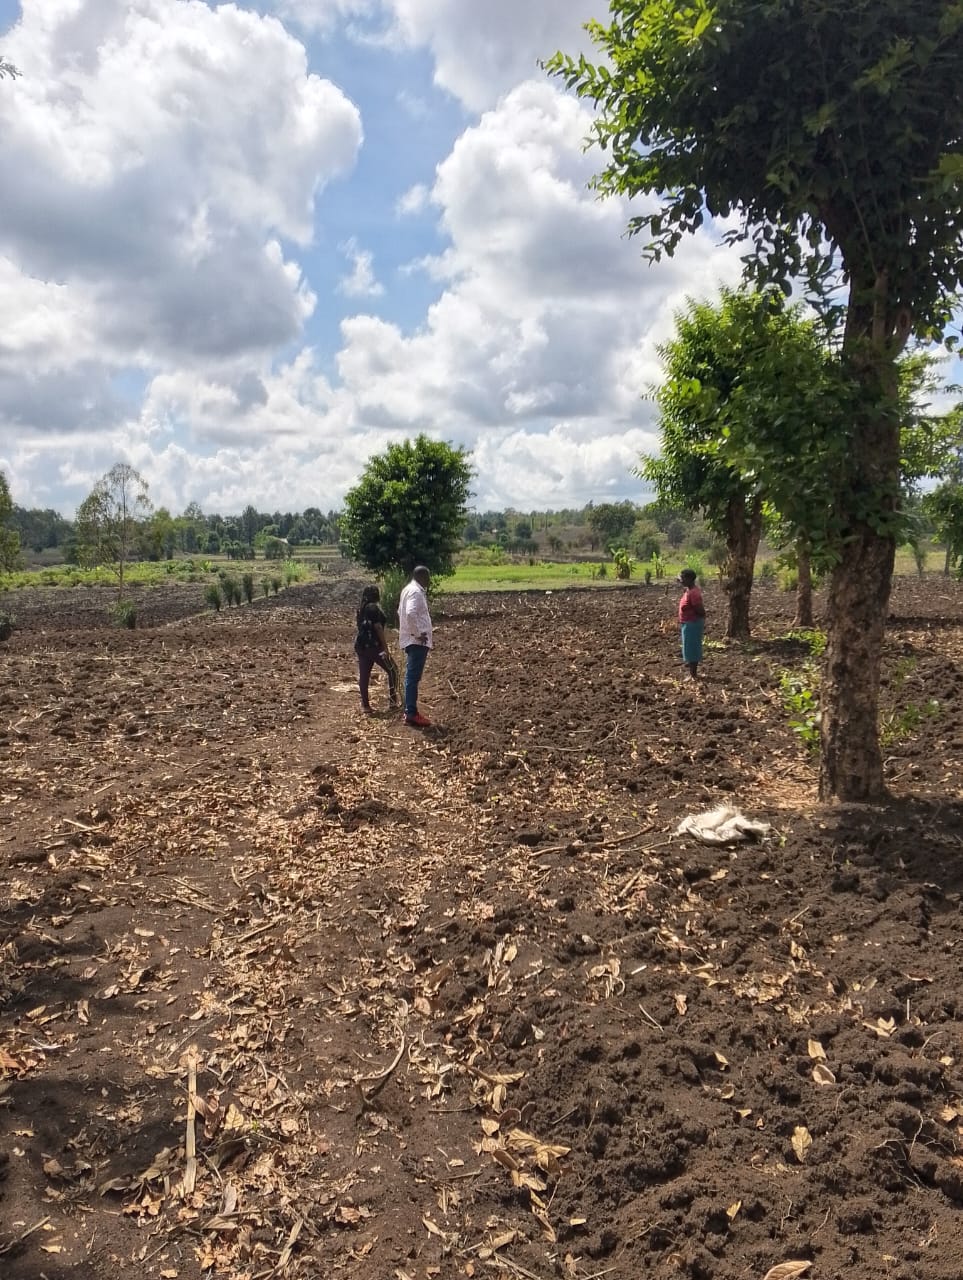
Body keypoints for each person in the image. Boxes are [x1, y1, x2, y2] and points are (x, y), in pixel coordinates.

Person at [354, 585, 399, 714]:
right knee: (393, 670)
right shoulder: (373, 608)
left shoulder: (361, 609)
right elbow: (378, 627)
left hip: (361, 646)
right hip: (374, 646)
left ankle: (365, 705)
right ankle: (393, 702)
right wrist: (385, 647)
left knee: (364, 675)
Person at [398, 565, 433, 727]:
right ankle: (411, 713)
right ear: (422, 577)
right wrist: (417, 634)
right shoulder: (416, 592)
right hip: (417, 642)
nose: (429, 581)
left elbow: (400, 612)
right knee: (412, 677)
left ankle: (410, 711)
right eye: (428, 577)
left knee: (411, 677)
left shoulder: (408, 589)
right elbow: (410, 613)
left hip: (412, 640)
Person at [677, 568, 706, 680]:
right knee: (689, 648)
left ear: (689, 579)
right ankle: (692, 673)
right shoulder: (689, 590)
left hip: (692, 623)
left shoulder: (693, 593)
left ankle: (693, 675)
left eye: (682, 578)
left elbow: (700, 610)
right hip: (689, 623)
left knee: (692, 648)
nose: (681, 580)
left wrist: (696, 619)